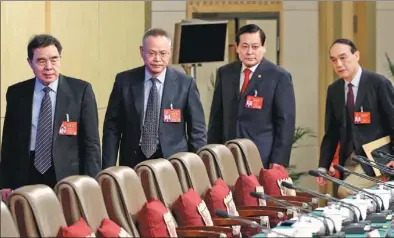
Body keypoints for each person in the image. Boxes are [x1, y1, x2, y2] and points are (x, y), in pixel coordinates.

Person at [0, 34, 101, 190]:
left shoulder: (80, 91)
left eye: (54, 59)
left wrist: (92, 184)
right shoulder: (17, 93)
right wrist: (5, 183)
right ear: (30, 62)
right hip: (26, 173)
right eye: (41, 61)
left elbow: (91, 143)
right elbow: (8, 142)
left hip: (67, 175)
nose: (49, 67)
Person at [102, 28, 206, 169]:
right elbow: (112, 127)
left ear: (169, 52)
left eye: (163, 54)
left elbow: (197, 131)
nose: (157, 59)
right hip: (134, 159)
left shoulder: (186, 84)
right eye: (151, 53)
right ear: (141, 51)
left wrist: (196, 167)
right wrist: (108, 167)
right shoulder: (124, 81)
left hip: (173, 162)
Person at [208, 24, 295, 169]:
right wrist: (212, 152)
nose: (249, 52)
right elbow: (216, 118)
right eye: (244, 46)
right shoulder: (225, 73)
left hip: (262, 157)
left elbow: (285, 123)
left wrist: (278, 160)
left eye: (255, 47)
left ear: (264, 46)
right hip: (227, 156)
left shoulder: (279, 76)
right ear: (237, 47)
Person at [317, 38, 394, 198]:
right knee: (348, 205)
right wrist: (323, 166)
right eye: (333, 60)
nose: (338, 64)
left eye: (343, 57)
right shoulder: (334, 90)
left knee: (346, 192)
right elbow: (331, 133)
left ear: (357, 55)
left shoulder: (378, 84)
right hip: (348, 159)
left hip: (376, 159)